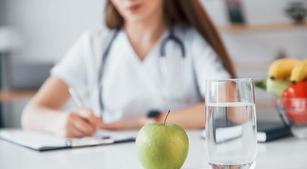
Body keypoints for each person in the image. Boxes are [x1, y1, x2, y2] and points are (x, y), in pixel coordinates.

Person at [21, 0, 236, 138]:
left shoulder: (190, 42)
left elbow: (230, 105)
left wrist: (147, 123)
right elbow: (31, 114)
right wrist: (61, 122)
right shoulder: (94, 45)